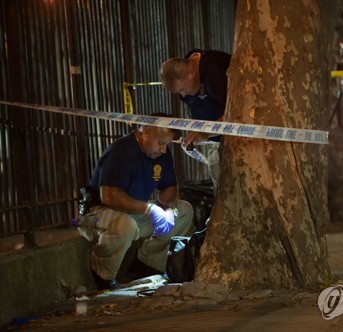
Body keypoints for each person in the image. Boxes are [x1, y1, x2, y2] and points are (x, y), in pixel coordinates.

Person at [76, 114, 195, 290]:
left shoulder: (161, 155)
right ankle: (103, 275)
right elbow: (110, 196)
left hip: (134, 213)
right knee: (125, 225)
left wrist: (166, 208)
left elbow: (170, 186)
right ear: (146, 131)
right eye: (161, 143)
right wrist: (149, 209)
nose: (163, 150)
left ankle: (145, 263)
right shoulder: (121, 151)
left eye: (167, 144)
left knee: (184, 210)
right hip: (96, 214)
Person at [159, 49, 231, 191]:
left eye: (183, 89)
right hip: (217, 142)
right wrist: (196, 131)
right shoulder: (185, 81)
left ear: (191, 72)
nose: (183, 95)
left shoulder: (215, 70)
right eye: (179, 93)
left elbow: (237, 113)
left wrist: (206, 133)